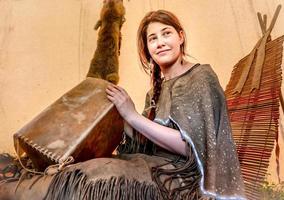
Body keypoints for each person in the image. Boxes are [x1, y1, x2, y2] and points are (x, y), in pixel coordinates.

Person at [0, 10, 245, 200]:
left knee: (98, 177)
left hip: (184, 178)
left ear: (180, 36)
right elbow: (146, 144)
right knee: (81, 167)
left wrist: (132, 116)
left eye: (166, 33)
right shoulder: (155, 90)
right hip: (157, 164)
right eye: (152, 38)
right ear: (147, 49)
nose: (160, 42)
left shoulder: (200, 78)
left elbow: (191, 147)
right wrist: (119, 118)